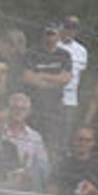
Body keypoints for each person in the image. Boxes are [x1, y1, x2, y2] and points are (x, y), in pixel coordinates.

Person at [20, 22, 73, 155]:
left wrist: (41, 76)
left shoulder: (64, 55)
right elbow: (27, 77)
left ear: (59, 36)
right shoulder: (32, 53)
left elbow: (66, 78)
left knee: (52, 141)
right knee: (30, 137)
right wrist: (53, 79)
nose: (50, 37)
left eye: (53, 34)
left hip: (55, 105)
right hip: (34, 103)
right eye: (47, 33)